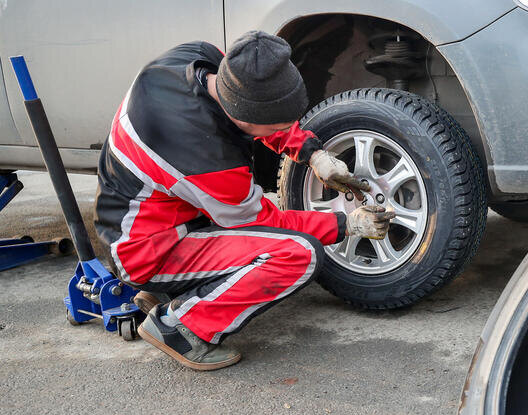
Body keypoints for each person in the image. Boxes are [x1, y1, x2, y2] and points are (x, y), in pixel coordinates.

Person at [94, 31, 394, 371]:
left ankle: (180, 291)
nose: (282, 129)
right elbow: (264, 223)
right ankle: (181, 328)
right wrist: (345, 224)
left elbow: (257, 106)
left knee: (262, 231)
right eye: (277, 126)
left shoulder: (200, 59)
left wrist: (312, 152)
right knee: (298, 254)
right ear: (246, 120)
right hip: (148, 251)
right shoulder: (208, 159)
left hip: (171, 216)